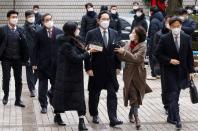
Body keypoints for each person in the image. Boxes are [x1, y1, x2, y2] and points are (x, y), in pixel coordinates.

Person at [52, 22, 97, 130]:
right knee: (61, 97)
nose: (78, 30)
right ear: (72, 30)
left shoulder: (77, 39)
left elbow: (83, 49)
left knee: (79, 99)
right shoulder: (65, 43)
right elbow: (76, 58)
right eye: (77, 28)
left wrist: (89, 49)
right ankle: (57, 115)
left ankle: (81, 121)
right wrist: (88, 52)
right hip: (65, 74)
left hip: (76, 75)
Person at [155, 16, 195, 130]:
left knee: (176, 96)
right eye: (174, 26)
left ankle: (171, 117)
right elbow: (157, 54)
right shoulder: (164, 38)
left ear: (181, 26)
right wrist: (169, 60)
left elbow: (189, 55)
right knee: (173, 95)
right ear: (170, 27)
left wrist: (191, 71)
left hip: (182, 72)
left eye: (178, 26)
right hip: (169, 72)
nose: (176, 28)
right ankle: (177, 119)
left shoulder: (186, 38)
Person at [85, 11, 123, 127]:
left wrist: (118, 66)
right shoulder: (91, 33)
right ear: (98, 20)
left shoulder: (114, 33)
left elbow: (117, 50)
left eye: (108, 19)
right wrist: (88, 68)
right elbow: (87, 51)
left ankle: (113, 118)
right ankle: (94, 113)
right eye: (103, 19)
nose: (106, 21)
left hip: (111, 70)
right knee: (94, 94)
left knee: (112, 94)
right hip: (96, 69)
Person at [115, 26, 152, 130]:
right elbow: (121, 57)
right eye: (132, 32)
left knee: (137, 95)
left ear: (139, 35)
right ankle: (136, 118)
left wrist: (125, 53)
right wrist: (121, 52)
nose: (132, 34)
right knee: (132, 94)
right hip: (128, 73)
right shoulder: (128, 44)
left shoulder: (143, 45)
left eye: (134, 33)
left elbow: (138, 59)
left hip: (139, 73)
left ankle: (131, 113)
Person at [32, 13, 63, 114]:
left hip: (56, 65)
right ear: (43, 22)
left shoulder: (59, 32)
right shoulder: (39, 33)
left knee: (56, 86)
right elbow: (35, 49)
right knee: (42, 87)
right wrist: (34, 63)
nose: (49, 21)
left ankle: (54, 103)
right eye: (46, 20)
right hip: (43, 65)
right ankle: (43, 105)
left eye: (50, 19)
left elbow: (63, 48)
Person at [0, 10, 29, 107]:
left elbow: (25, 45)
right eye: (13, 17)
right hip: (6, 59)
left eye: (16, 17)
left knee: (18, 80)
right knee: (6, 78)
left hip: (18, 59)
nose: (15, 19)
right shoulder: (2, 29)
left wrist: (25, 58)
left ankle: (18, 100)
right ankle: (6, 95)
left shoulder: (21, 30)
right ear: (8, 18)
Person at [153, 15, 171, 114]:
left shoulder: (180, 34)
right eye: (169, 22)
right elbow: (156, 51)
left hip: (176, 66)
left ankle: (173, 103)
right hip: (164, 65)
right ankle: (167, 105)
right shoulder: (159, 34)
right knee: (165, 86)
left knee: (175, 87)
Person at [23, 10, 41, 97]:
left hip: (38, 53)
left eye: (33, 16)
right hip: (28, 53)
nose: (32, 18)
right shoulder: (22, 29)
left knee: (38, 70)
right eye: (30, 16)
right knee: (29, 71)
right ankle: (32, 89)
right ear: (26, 18)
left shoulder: (39, 27)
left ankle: (32, 84)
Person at [147, 10, 164, 79]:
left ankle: (154, 74)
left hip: (154, 42)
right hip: (159, 41)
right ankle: (159, 73)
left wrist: (149, 44)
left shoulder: (154, 21)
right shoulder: (161, 19)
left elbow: (152, 34)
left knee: (152, 57)